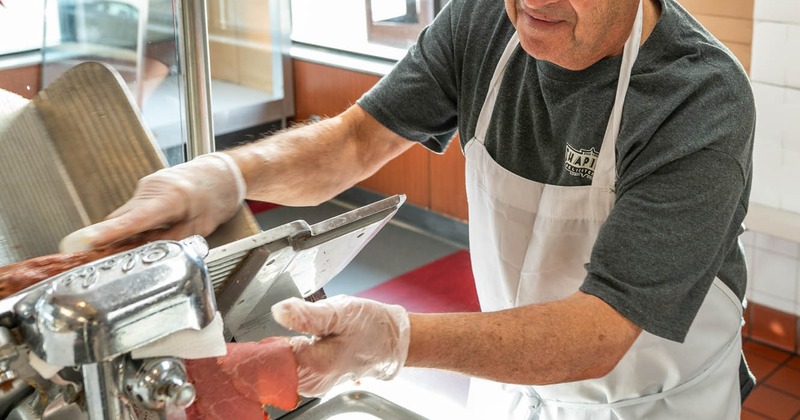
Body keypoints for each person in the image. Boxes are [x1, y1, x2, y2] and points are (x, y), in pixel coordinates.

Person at [71, 0, 756, 418]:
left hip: (650, 406)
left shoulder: (696, 99)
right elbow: (355, 140)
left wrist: (397, 340)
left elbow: (600, 333)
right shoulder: (486, 22)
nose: (534, 1)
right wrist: (224, 177)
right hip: (513, 388)